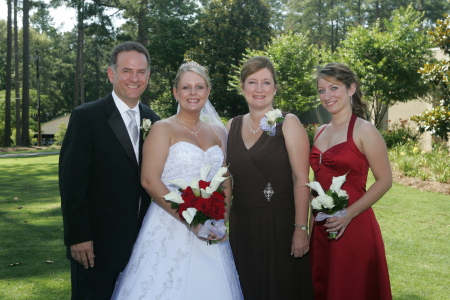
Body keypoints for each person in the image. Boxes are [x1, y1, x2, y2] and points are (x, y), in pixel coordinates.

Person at [111, 61, 243, 300]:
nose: (193, 93)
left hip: (211, 224)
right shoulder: (163, 129)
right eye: (186, 87)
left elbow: (224, 176)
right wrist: (190, 220)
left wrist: (222, 216)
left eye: (199, 87)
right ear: (175, 92)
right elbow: (149, 180)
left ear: (208, 91)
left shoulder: (218, 131)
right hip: (169, 222)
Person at [59, 41, 160, 300]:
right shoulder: (86, 117)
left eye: (141, 71)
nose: (134, 78)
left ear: (148, 75)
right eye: (127, 71)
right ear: (111, 74)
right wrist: (78, 236)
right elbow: (72, 183)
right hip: (97, 244)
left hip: (144, 240)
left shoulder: (155, 121)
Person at [226, 56, 314, 299]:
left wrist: (300, 228)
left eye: (266, 82)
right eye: (252, 82)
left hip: (281, 224)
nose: (259, 89)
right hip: (243, 225)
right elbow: (225, 181)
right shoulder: (230, 127)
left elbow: (301, 178)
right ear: (242, 87)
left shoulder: (289, 123)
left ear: (275, 88)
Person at [309, 62, 392, 299]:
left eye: (334, 88)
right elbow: (316, 183)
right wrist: (309, 225)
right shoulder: (319, 131)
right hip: (322, 226)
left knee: (351, 288)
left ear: (351, 89)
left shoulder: (365, 130)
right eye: (322, 90)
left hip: (354, 225)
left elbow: (385, 180)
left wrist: (349, 213)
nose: (327, 96)